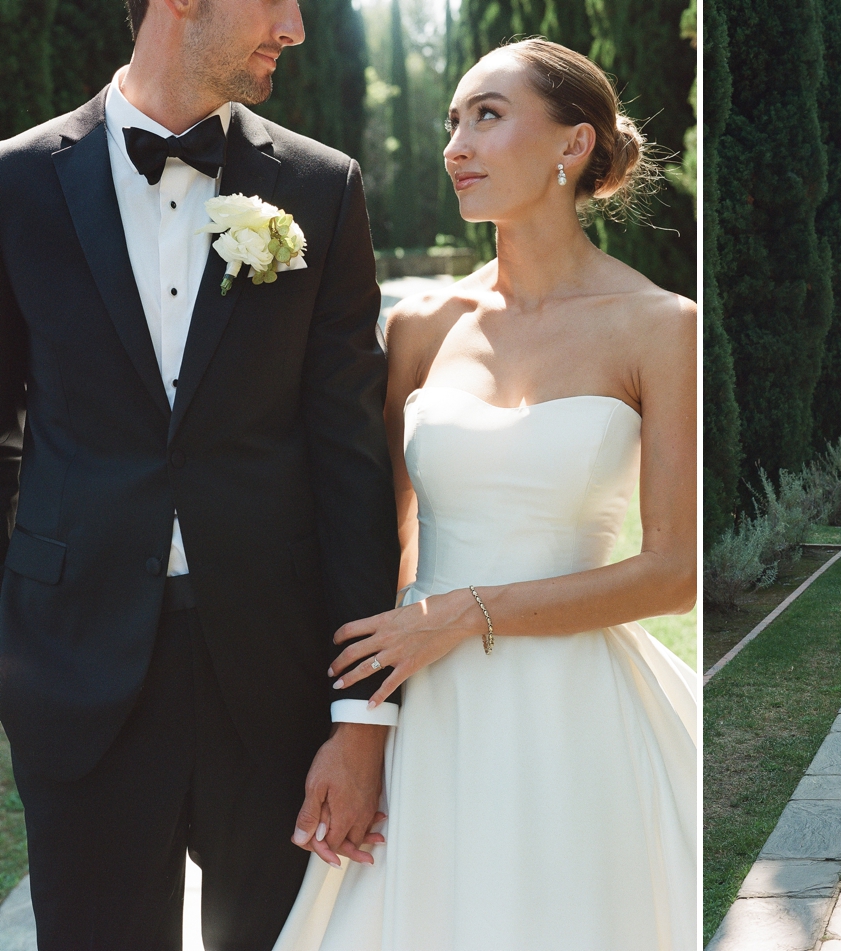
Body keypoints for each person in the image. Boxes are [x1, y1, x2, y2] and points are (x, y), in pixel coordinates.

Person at [272, 38, 699, 950]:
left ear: (571, 146)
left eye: (487, 116)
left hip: (573, 717)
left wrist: (462, 613)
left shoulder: (661, 327)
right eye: (453, 121)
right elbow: (377, 538)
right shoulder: (422, 328)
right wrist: (361, 724)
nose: (454, 144)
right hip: (428, 706)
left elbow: (672, 575)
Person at [0, 0, 399, 947]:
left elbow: (350, 457)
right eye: (277, 2)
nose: (296, 28)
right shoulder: (14, 184)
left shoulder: (322, 185)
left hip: (275, 680)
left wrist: (360, 717)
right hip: (75, 669)